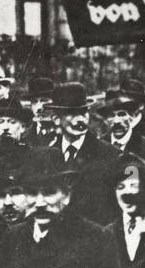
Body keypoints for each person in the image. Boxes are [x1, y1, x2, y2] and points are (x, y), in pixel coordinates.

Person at [46, 81, 121, 226]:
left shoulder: (110, 155)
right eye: (71, 113)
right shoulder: (47, 155)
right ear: (56, 119)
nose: (80, 120)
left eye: (83, 112)